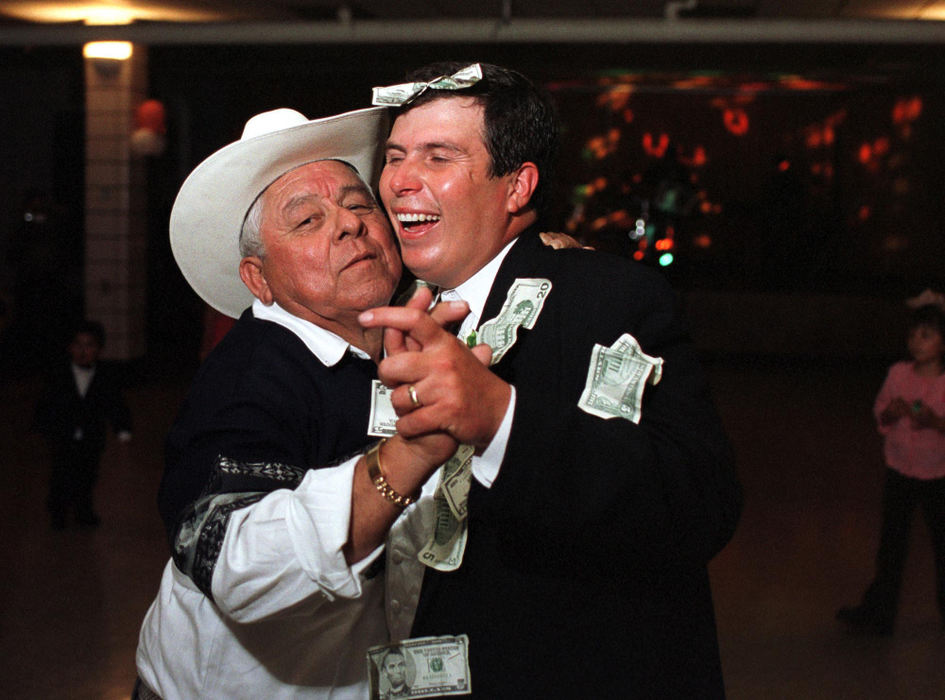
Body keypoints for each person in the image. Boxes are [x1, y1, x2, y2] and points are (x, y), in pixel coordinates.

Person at [358, 62, 742, 697]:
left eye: (438, 157)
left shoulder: (608, 298)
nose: (400, 180)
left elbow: (699, 505)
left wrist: (501, 418)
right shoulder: (380, 308)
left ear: (517, 187)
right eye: (396, 156)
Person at [135, 106, 465, 699]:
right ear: (258, 280)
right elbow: (230, 560)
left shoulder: (414, 329)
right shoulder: (251, 376)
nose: (348, 226)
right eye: (308, 219)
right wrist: (406, 458)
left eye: (359, 205)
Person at [836, 300, 945, 636]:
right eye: (912, 334)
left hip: (938, 475)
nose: (916, 341)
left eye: (926, 335)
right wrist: (894, 413)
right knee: (891, 545)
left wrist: (935, 421)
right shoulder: (898, 374)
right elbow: (881, 414)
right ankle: (879, 613)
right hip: (899, 471)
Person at [33, 319, 131, 529]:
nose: (83, 351)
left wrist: (122, 427)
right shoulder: (59, 375)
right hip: (63, 434)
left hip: (91, 436)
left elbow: (115, 403)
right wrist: (44, 427)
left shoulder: (105, 376)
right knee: (60, 473)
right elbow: (46, 402)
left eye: (89, 345)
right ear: (70, 348)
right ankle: (58, 511)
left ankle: (83, 510)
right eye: (78, 345)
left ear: (99, 349)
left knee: (88, 474)